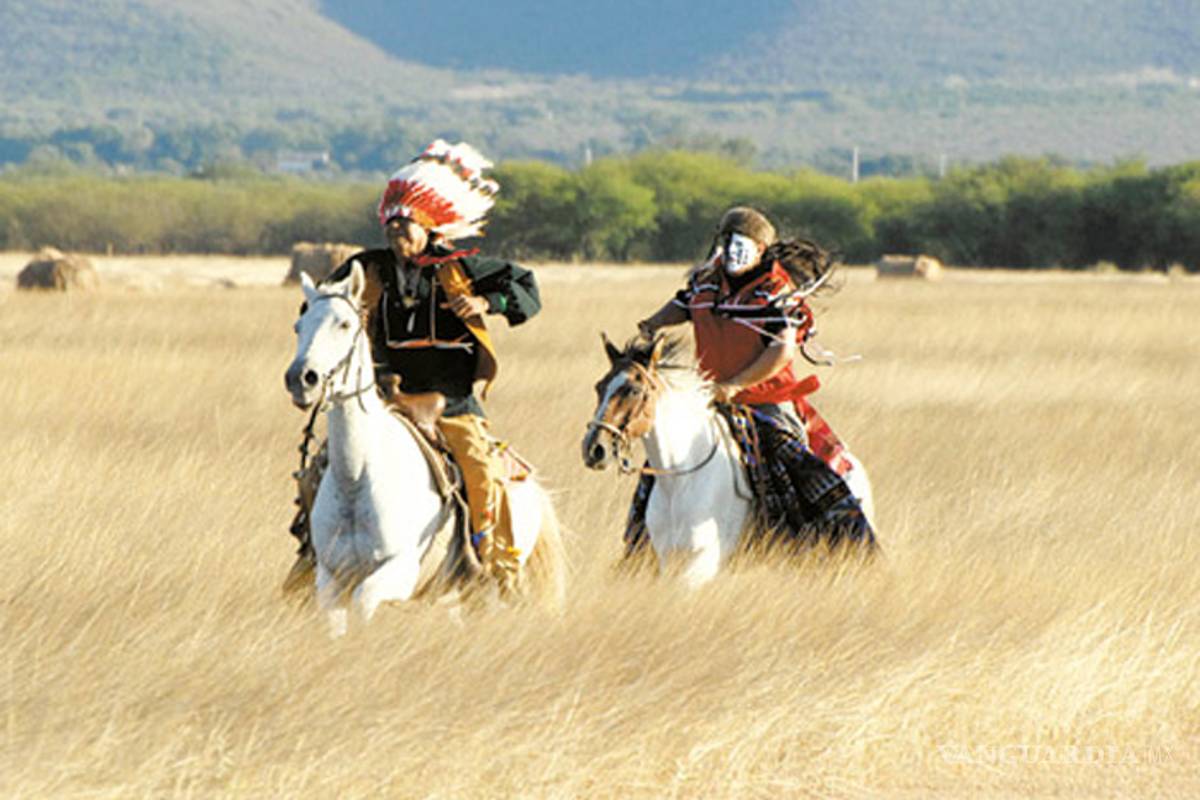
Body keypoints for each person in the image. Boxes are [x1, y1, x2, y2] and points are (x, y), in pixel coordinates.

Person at [286, 140, 541, 594]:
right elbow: (326, 301)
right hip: (385, 392)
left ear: (427, 228)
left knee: (480, 468)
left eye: (406, 228)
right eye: (391, 228)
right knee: (320, 467)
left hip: (451, 396)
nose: (397, 237)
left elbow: (526, 287)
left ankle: (489, 563)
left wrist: (486, 301)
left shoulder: (458, 266)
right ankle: (311, 554)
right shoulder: (369, 266)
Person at [629, 205, 876, 556]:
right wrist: (651, 325)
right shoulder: (706, 279)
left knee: (790, 463)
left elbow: (781, 352)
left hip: (766, 400)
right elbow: (682, 306)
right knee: (661, 466)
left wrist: (736, 385)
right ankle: (639, 548)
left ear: (760, 249)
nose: (731, 249)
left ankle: (819, 539)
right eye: (727, 240)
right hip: (708, 398)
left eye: (740, 242)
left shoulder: (777, 289)